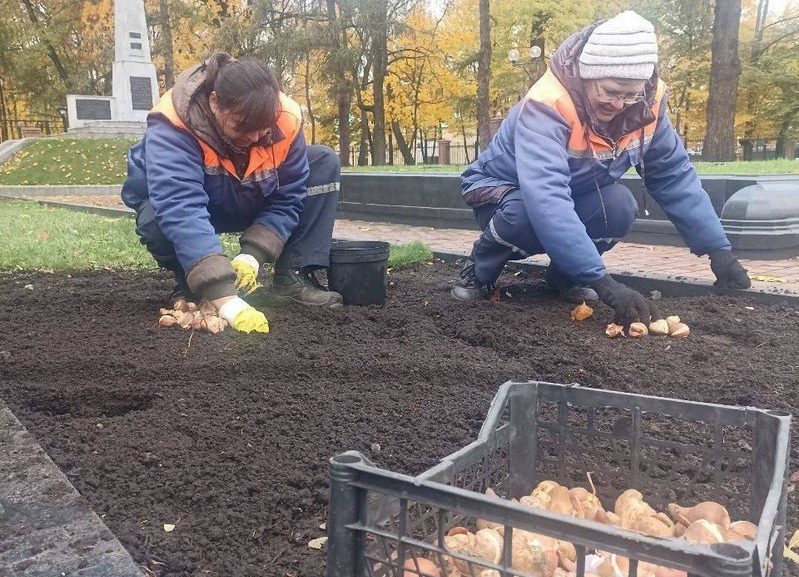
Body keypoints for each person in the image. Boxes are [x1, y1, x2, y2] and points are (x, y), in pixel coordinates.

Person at [451, 11, 751, 327]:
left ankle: (565, 276)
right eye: (609, 91)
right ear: (587, 76)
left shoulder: (648, 107)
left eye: (630, 94)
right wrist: (602, 282)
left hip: (574, 190)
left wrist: (718, 251)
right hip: (502, 190)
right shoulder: (548, 103)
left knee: (619, 205)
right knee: (523, 212)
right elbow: (546, 197)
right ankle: (480, 269)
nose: (619, 104)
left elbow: (673, 175)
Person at [122, 52, 343, 334]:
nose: (254, 138)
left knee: (322, 162)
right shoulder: (174, 123)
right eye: (242, 126)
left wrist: (253, 255)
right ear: (214, 102)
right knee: (154, 218)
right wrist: (226, 299)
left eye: (262, 130)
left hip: (253, 198)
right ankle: (194, 285)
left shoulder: (286, 118)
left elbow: (288, 197)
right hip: (202, 205)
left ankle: (292, 277)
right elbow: (180, 206)